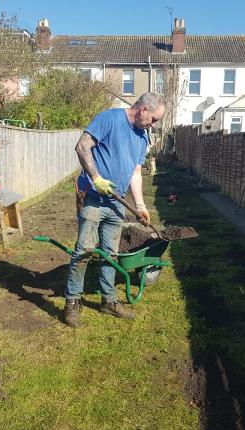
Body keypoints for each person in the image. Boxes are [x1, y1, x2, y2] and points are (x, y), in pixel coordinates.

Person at [64, 92, 166, 327]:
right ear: (143, 110)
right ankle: (72, 302)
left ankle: (108, 301)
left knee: (111, 253)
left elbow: (135, 173)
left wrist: (140, 206)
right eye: (154, 119)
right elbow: (82, 147)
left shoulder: (142, 139)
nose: (154, 125)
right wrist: (96, 178)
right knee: (85, 250)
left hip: (116, 203)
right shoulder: (109, 119)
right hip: (92, 198)